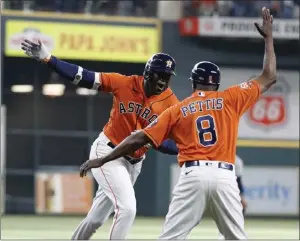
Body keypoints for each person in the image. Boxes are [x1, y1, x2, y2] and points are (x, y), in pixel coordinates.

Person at [79, 7, 276, 239]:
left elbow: (138, 137)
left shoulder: (178, 109)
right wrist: (269, 38)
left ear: (193, 83)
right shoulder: (231, 98)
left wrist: (103, 158)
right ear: (217, 84)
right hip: (225, 176)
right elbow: (269, 76)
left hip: (193, 175)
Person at [21, 39, 179, 239]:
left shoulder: (171, 103)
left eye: (167, 77)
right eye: (160, 75)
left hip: (134, 163)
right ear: (148, 73)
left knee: (95, 219)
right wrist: (49, 59)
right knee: (128, 209)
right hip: (107, 151)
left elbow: (176, 143)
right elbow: (83, 76)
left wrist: (154, 140)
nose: (163, 81)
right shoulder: (124, 83)